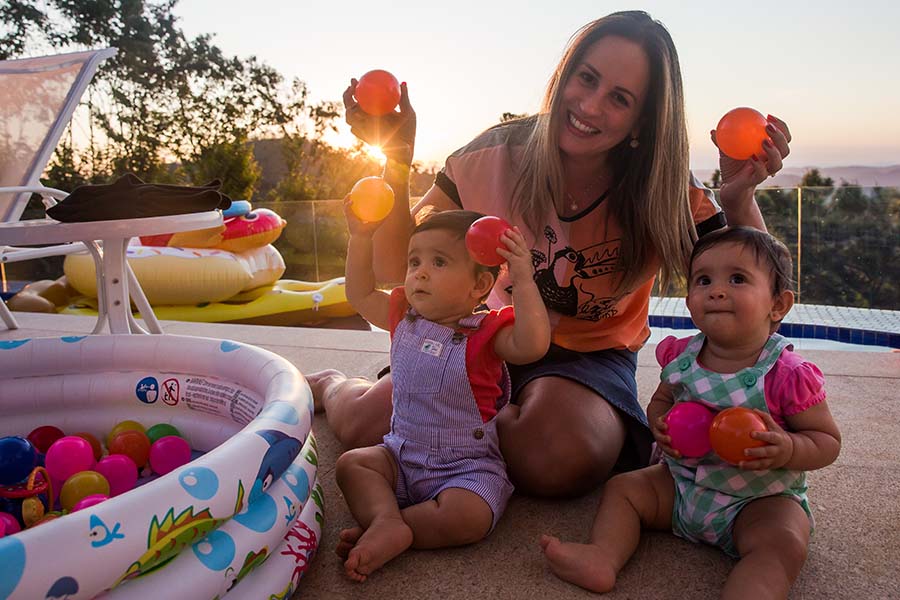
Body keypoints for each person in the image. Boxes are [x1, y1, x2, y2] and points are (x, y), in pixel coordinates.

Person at [309, 10, 793, 497]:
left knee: (558, 457)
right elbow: (396, 270)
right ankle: (332, 385)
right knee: (362, 425)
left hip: (590, 357)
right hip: (483, 335)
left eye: (619, 98)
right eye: (586, 78)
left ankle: (494, 431)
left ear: (641, 122)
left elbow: (751, 299)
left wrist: (737, 199)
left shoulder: (665, 191)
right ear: (565, 75)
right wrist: (396, 159)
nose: (589, 105)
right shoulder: (490, 157)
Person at [540, 226, 841, 598]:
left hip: (758, 500)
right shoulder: (682, 357)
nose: (716, 290)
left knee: (782, 541)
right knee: (624, 489)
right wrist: (659, 424)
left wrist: (788, 449)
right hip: (682, 486)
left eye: (737, 278)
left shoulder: (787, 374)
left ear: (777, 304)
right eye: (703, 280)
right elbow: (662, 401)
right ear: (688, 299)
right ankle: (602, 556)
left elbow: (826, 441)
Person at [334, 207, 551, 581]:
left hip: (464, 468)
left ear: (480, 286)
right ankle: (389, 522)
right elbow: (359, 293)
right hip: (400, 455)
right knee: (352, 465)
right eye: (414, 260)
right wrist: (360, 237)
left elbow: (532, 345)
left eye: (439, 262)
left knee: (469, 515)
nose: (420, 272)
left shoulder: (486, 333)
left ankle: (390, 527)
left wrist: (524, 281)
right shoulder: (402, 316)